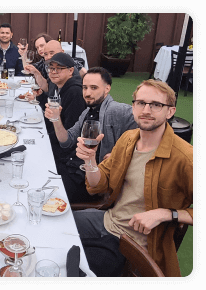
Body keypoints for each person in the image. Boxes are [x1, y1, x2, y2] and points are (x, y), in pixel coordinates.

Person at [73, 79, 193, 277]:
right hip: (107, 220)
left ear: (170, 112)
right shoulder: (129, 138)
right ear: (133, 107)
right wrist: (90, 160)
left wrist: (166, 214)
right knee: (53, 227)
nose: (146, 110)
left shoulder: (185, 157)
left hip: (135, 244)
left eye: (156, 105)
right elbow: (98, 184)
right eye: (140, 103)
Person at [46, 67, 137, 166]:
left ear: (107, 89)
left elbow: (148, 130)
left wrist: (120, 155)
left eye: (94, 87)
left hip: (98, 173)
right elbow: (66, 141)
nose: (87, 93)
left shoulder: (117, 110)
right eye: (85, 87)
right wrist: (56, 118)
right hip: (78, 166)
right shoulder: (86, 112)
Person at [41, 52, 88, 203]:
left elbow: (70, 132)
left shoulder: (75, 92)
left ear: (70, 70)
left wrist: (44, 139)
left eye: (58, 68)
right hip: (60, 144)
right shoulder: (57, 86)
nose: (53, 72)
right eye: (51, 68)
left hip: (70, 155)